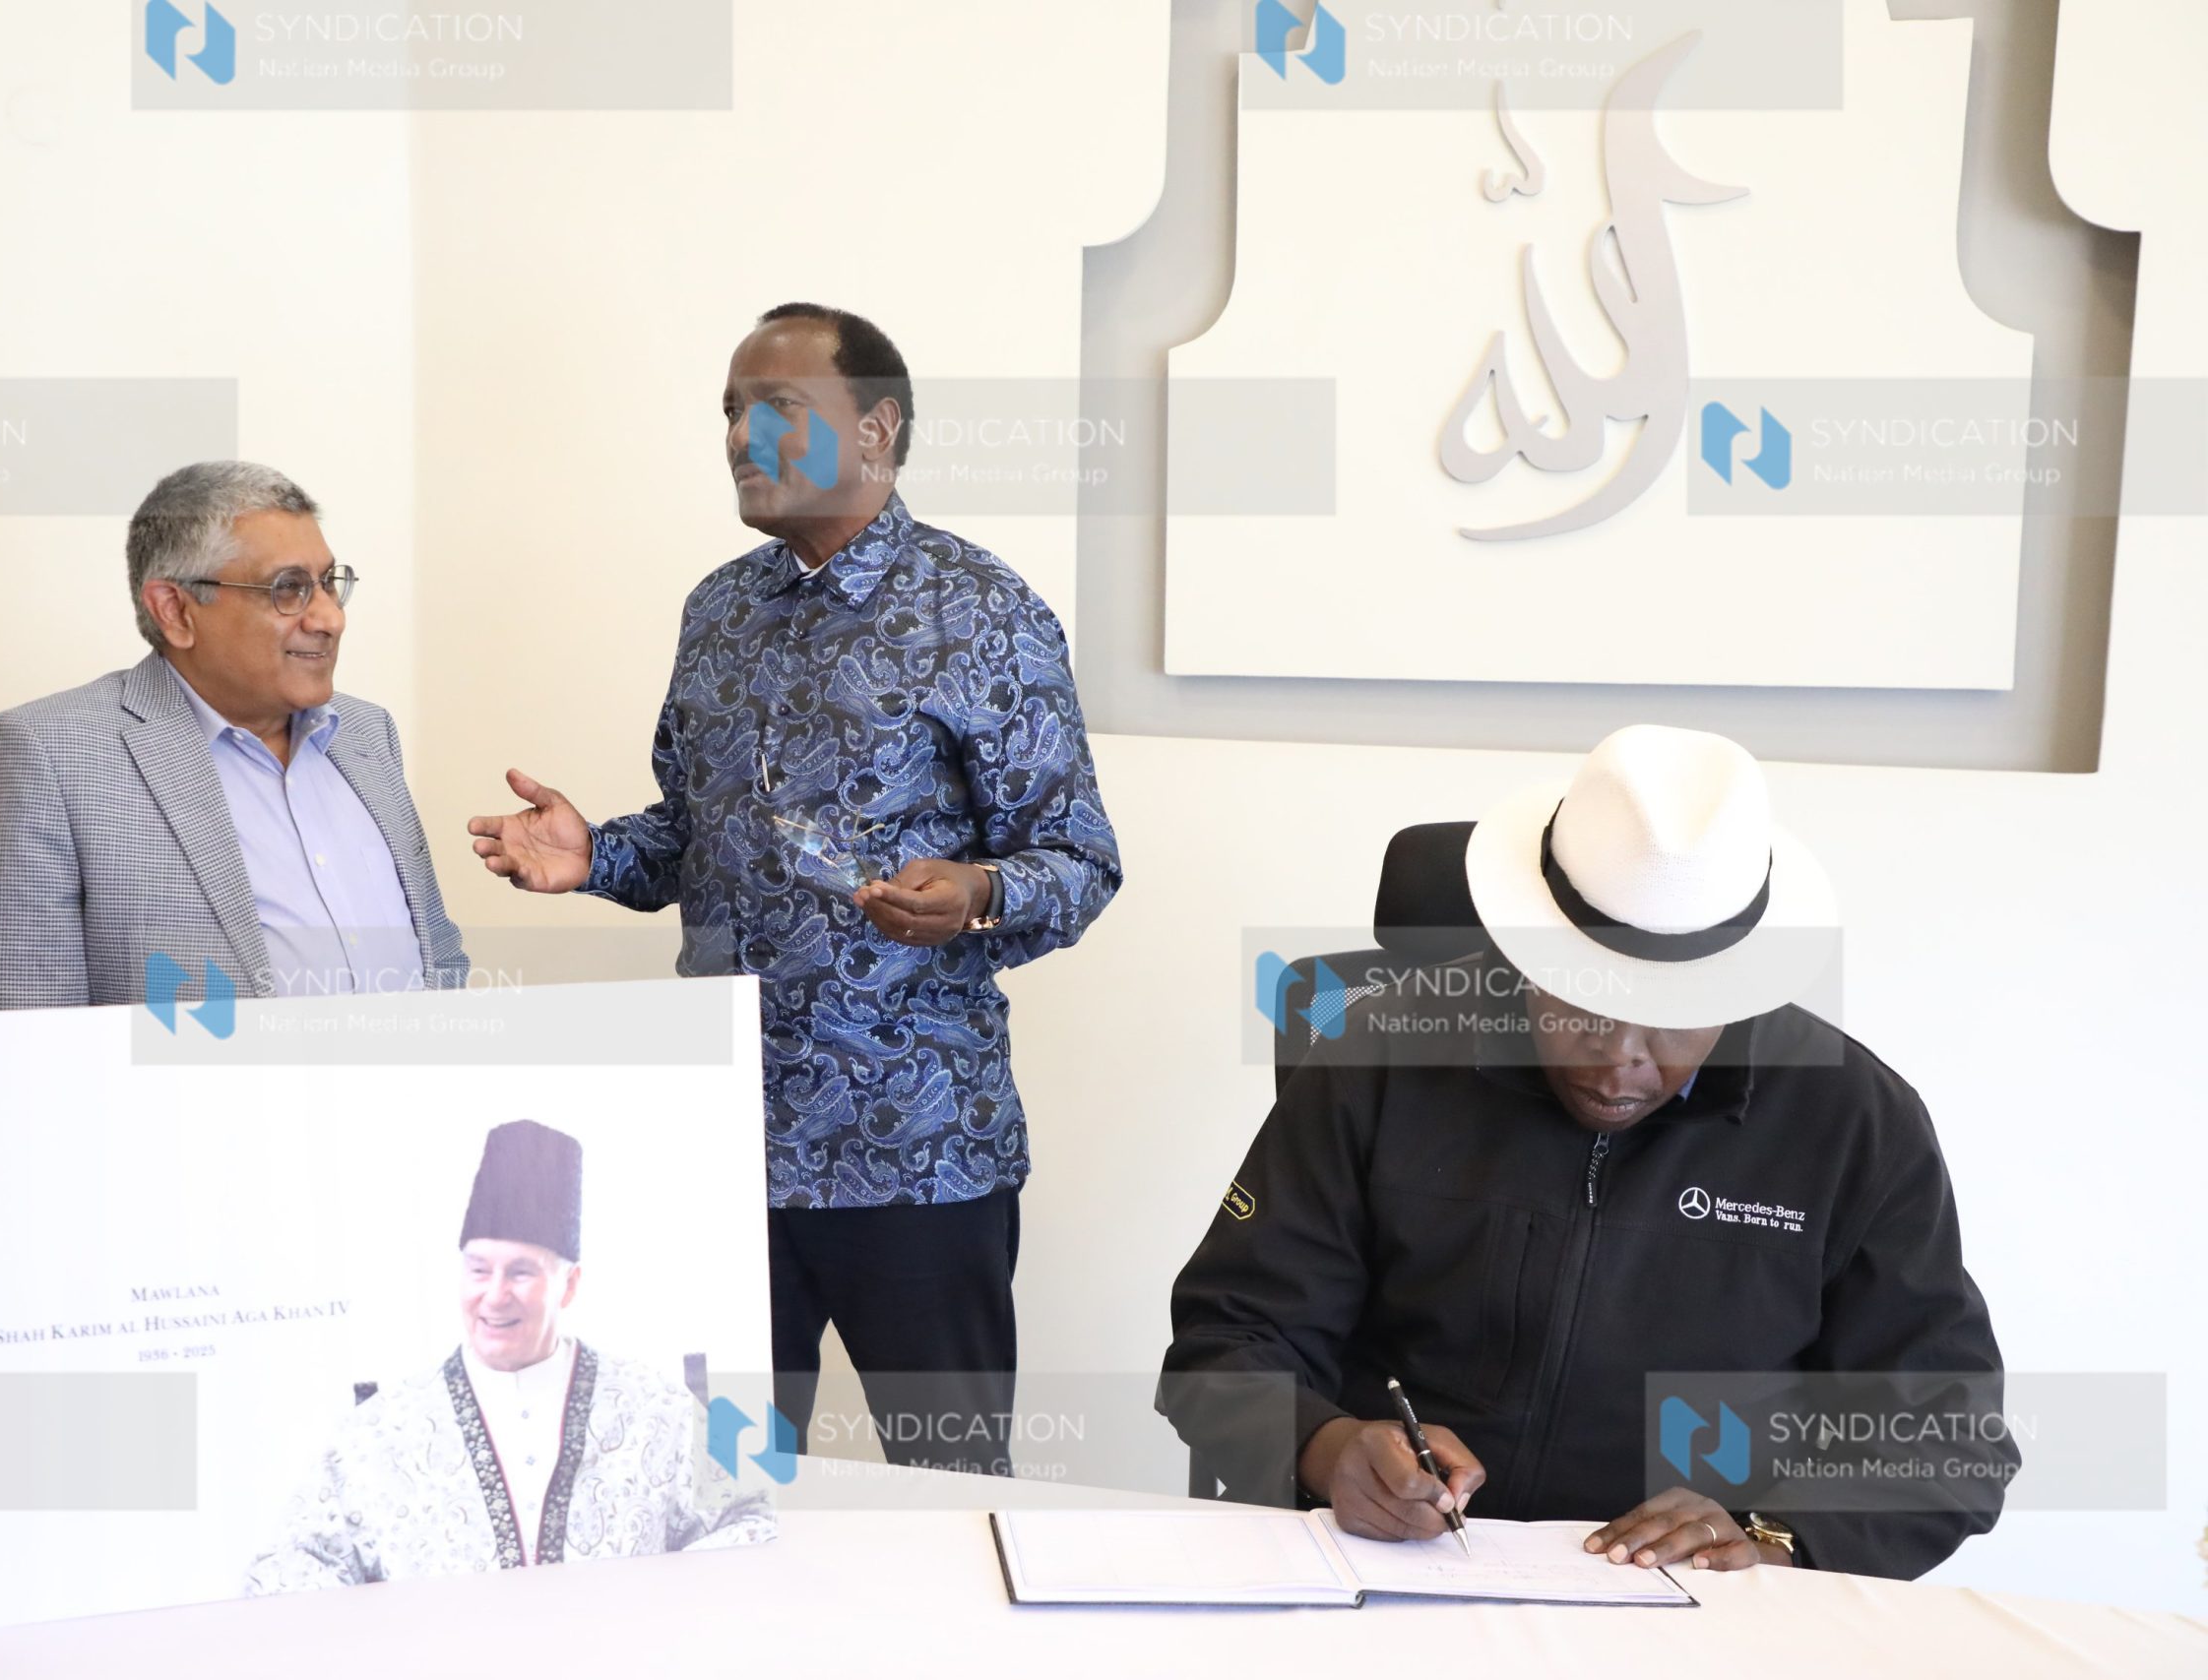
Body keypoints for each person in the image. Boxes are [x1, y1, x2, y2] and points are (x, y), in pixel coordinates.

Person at [466, 304, 1123, 1474]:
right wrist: (594, 856)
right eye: (728, 410)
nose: (738, 436)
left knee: (952, 1486)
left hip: (918, 1151)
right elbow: (693, 838)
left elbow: (1077, 861)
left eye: (777, 410)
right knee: (719, 1488)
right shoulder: (718, 612)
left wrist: (976, 892)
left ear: (875, 429)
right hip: (724, 1145)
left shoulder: (981, 612)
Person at [1161, 724, 2012, 1579]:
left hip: (1695, 1606)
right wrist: (1327, 1444)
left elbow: (1949, 1438)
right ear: (1528, 954)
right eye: (1583, 1003)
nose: (1619, 1057)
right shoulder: (1378, 1057)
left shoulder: (1856, 1124)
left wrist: (1775, 1537)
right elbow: (1224, 1340)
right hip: (1393, 1570)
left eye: (1674, 1016)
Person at [0, 461, 466, 1009]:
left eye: (328, 584)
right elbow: (11, 1032)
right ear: (175, 611)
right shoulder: (47, 754)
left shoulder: (366, 733)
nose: (330, 618)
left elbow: (437, 956)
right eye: (288, 589)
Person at [246, 1120, 772, 1588]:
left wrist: (654, 1600)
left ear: (569, 1285)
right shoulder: (381, 1433)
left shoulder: (657, 1410)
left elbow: (757, 1523)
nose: (495, 1295)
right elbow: (287, 1572)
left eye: (521, 1272)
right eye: (479, 1270)